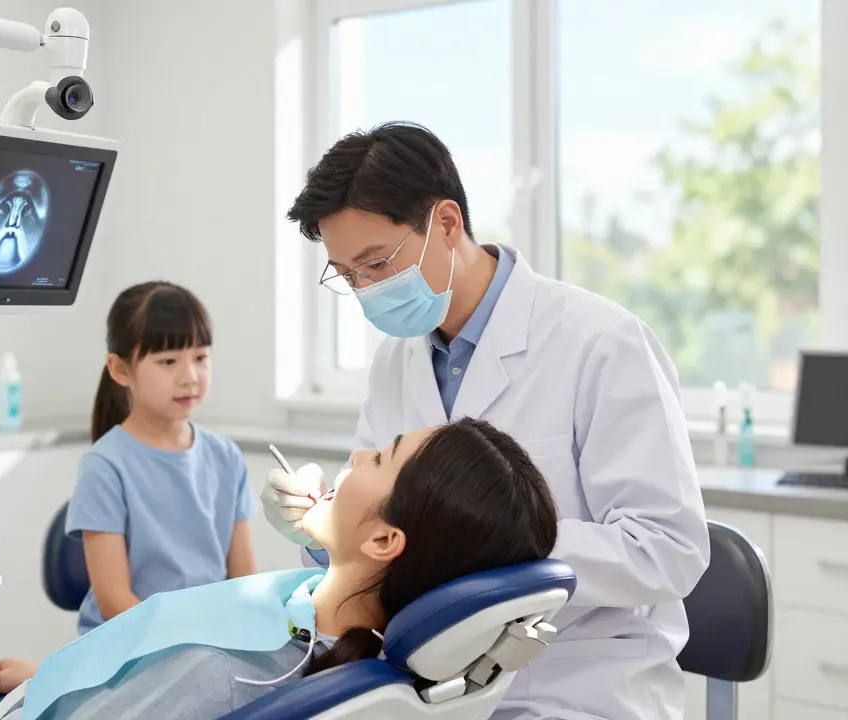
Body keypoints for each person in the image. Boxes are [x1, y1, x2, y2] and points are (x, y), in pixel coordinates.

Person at [264, 120, 710, 720]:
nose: (365, 290)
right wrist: (321, 531)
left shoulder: (601, 342)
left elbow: (667, 550)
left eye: (375, 264)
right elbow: (377, 527)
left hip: (577, 683)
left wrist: (478, 543)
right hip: (430, 685)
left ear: (446, 224)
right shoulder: (398, 361)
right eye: (347, 276)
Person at [0, 418, 559, 720]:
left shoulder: (239, 671)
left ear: (386, 544)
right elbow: (151, 657)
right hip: (42, 694)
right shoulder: (313, 612)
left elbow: (185, 671)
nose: (353, 454)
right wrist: (66, 671)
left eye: (379, 455)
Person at [68, 280, 257, 634]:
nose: (190, 377)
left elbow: (243, 580)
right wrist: (192, 638)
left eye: (200, 358)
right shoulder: (104, 466)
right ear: (121, 370)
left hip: (208, 640)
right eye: (168, 361)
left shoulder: (226, 456)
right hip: (131, 642)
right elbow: (114, 603)